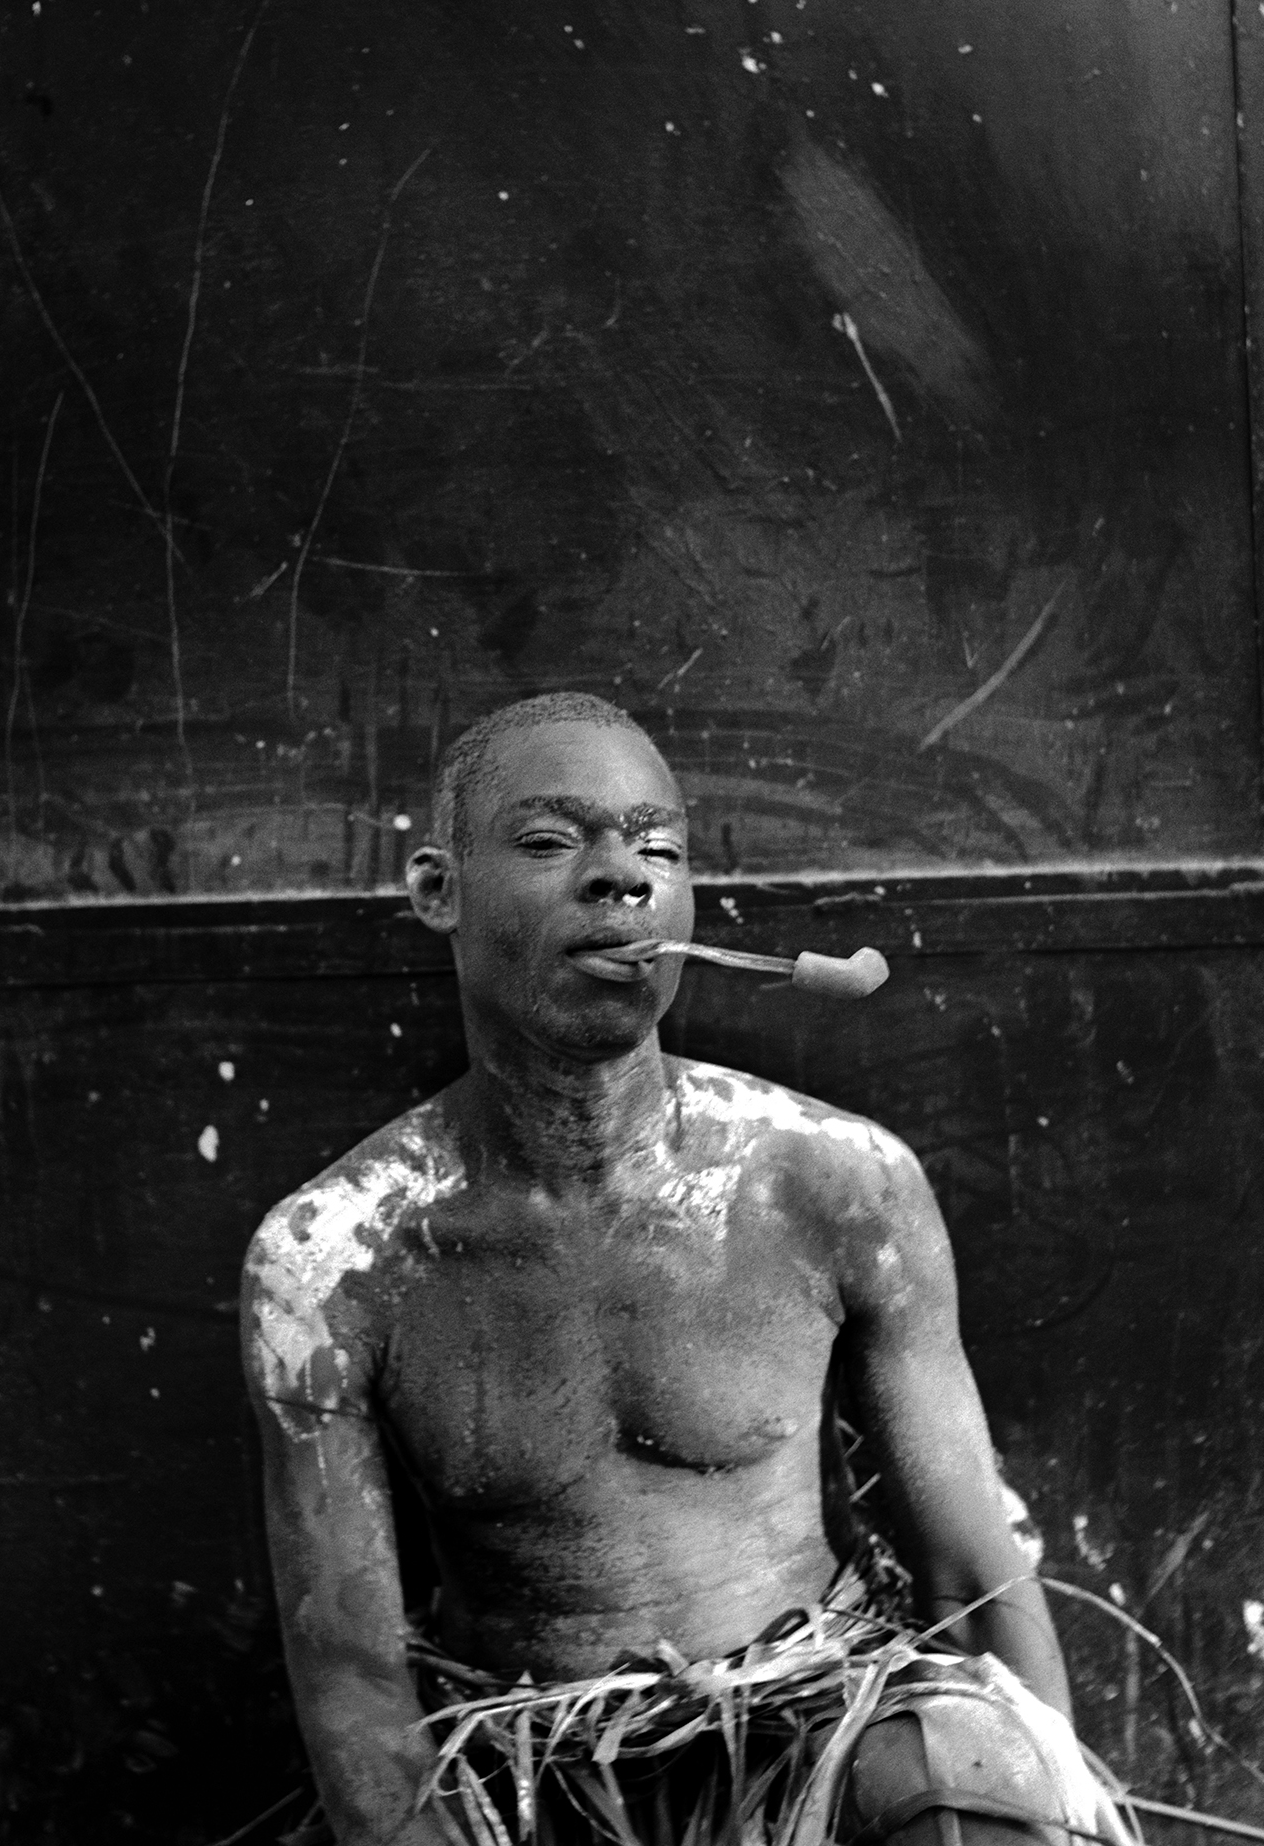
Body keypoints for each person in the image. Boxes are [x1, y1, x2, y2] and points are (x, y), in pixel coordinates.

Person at [242, 693, 1129, 1846]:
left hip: (824, 1730)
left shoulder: (835, 1184)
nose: (622, 878)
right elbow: (355, 1688)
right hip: (538, 1769)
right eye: (554, 842)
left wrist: (1045, 1797)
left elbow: (970, 1570)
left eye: (655, 847)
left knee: (962, 1764)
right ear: (435, 890)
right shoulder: (332, 1261)